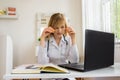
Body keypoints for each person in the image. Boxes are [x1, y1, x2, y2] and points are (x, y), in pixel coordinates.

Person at [38, 13, 79, 80]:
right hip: (50, 75)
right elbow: (42, 63)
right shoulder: (46, 40)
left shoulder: (68, 39)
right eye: (56, 27)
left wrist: (73, 39)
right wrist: (42, 38)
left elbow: (74, 61)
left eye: (62, 27)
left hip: (65, 74)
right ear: (51, 27)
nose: (59, 31)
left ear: (65, 27)